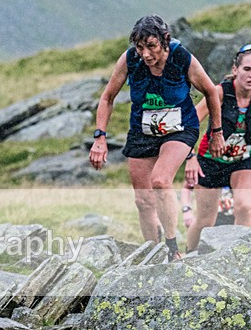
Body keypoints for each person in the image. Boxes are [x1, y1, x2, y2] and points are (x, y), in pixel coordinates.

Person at [89, 15, 224, 261]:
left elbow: (212, 92)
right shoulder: (130, 60)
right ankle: (153, 252)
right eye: (140, 47)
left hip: (180, 128)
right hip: (143, 131)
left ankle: (173, 249)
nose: (146, 54)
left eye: (151, 46)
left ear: (165, 41)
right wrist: (100, 137)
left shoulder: (182, 58)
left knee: (160, 181)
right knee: (143, 200)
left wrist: (216, 132)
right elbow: (107, 97)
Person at [185, 43, 251, 251]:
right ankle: (187, 258)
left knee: (245, 207)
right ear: (235, 70)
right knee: (205, 220)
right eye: (247, 69)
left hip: (242, 161)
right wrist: (190, 157)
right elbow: (190, 123)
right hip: (210, 161)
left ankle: (237, 259)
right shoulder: (219, 93)